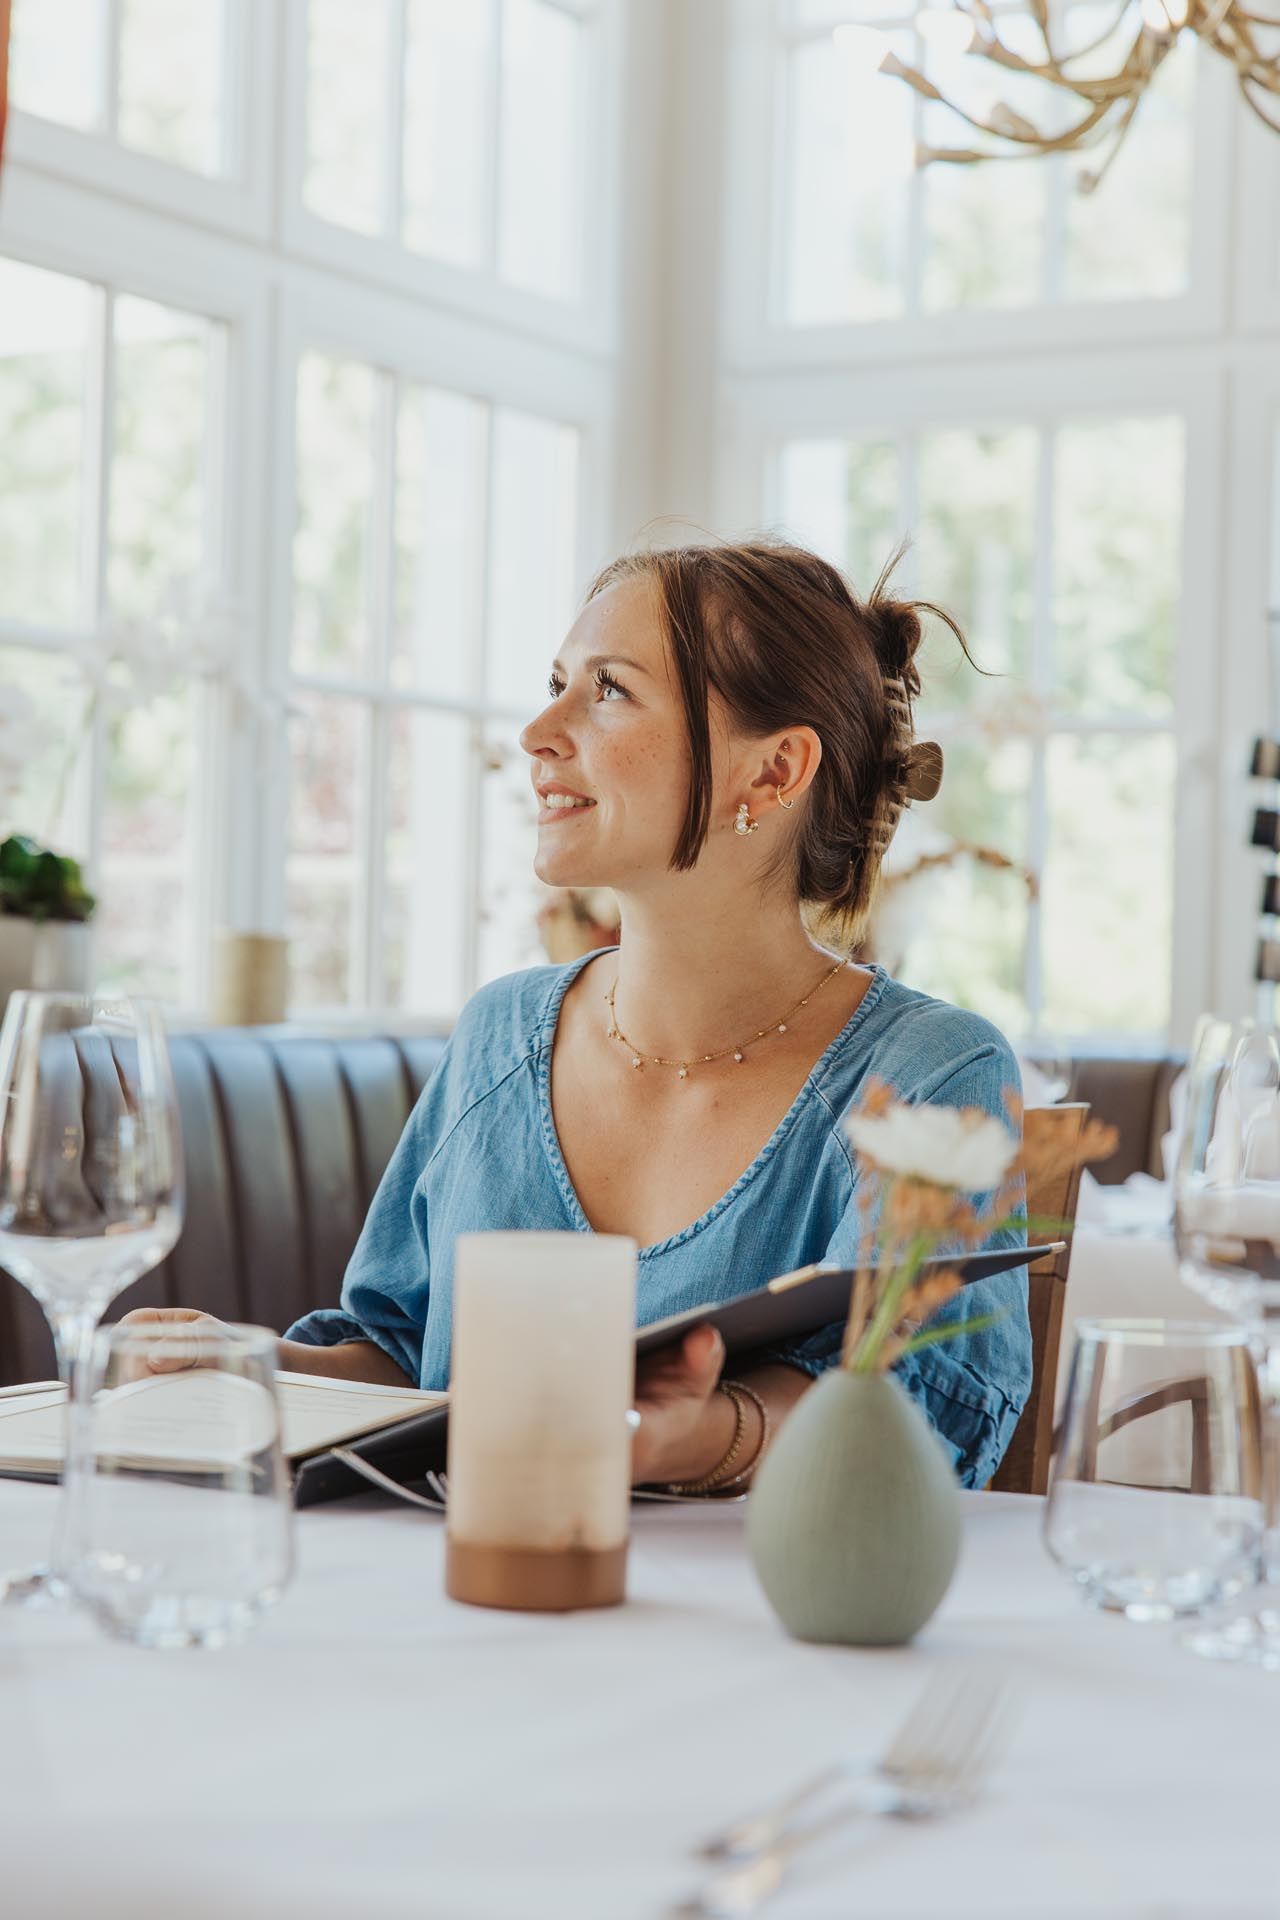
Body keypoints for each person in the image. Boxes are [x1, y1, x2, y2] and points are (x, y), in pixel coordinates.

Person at [127, 541, 1030, 1492]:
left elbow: (912, 1409)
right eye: (557, 682)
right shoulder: (501, 1035)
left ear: (771, 774)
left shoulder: (934, 1076)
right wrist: (248, 1363)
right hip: (463, 1603)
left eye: (609, 691)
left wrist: (689, 1433)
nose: (538, 731)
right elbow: (404, 1359)